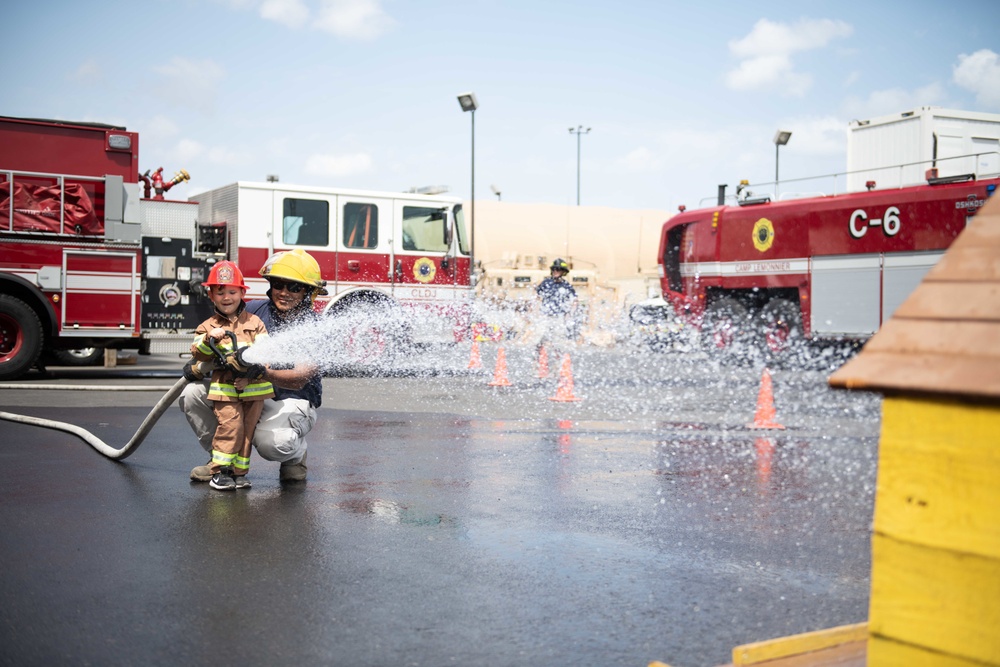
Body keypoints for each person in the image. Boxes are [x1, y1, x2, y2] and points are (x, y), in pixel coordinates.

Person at [180, 248, 328, 484]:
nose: (284, 292)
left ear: (309, 292)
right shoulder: (255, 311)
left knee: (273, 444)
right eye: (279, 284)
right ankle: (221, 463)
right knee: (192, 394)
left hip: (290, 401)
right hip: (249, 394)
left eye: (294, 287)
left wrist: (262, 371)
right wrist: (200, 358)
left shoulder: (313, 328)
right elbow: (223, 323)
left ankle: (295, 455)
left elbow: (301, 376)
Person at [189, 261, 274, 491]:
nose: (227, 297)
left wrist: (251, 376)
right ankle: (220, 471)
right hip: (225, 390)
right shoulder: (207, 326)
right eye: (220, 292)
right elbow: (197, 352)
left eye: (232, 292)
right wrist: (209, 339)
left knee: (246, 432)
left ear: (242, 292)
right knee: (231, 427)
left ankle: (239, 473)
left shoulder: (255, 323)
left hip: (254, 390)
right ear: (211, 295)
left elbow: (266, 353)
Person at [534, 258, 579, 351]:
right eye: (554, 269)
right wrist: (535, 312)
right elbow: (537, 297)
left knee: (558, 342)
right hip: (545, 316)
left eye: (558, 269)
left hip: (559, 317)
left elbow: (574, 300)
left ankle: (558, 363)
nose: (555, 271)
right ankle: (536, 360)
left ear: (563, 271)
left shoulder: (566, 285)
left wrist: (570, 314)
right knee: (538, 339)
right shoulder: (546, 283)